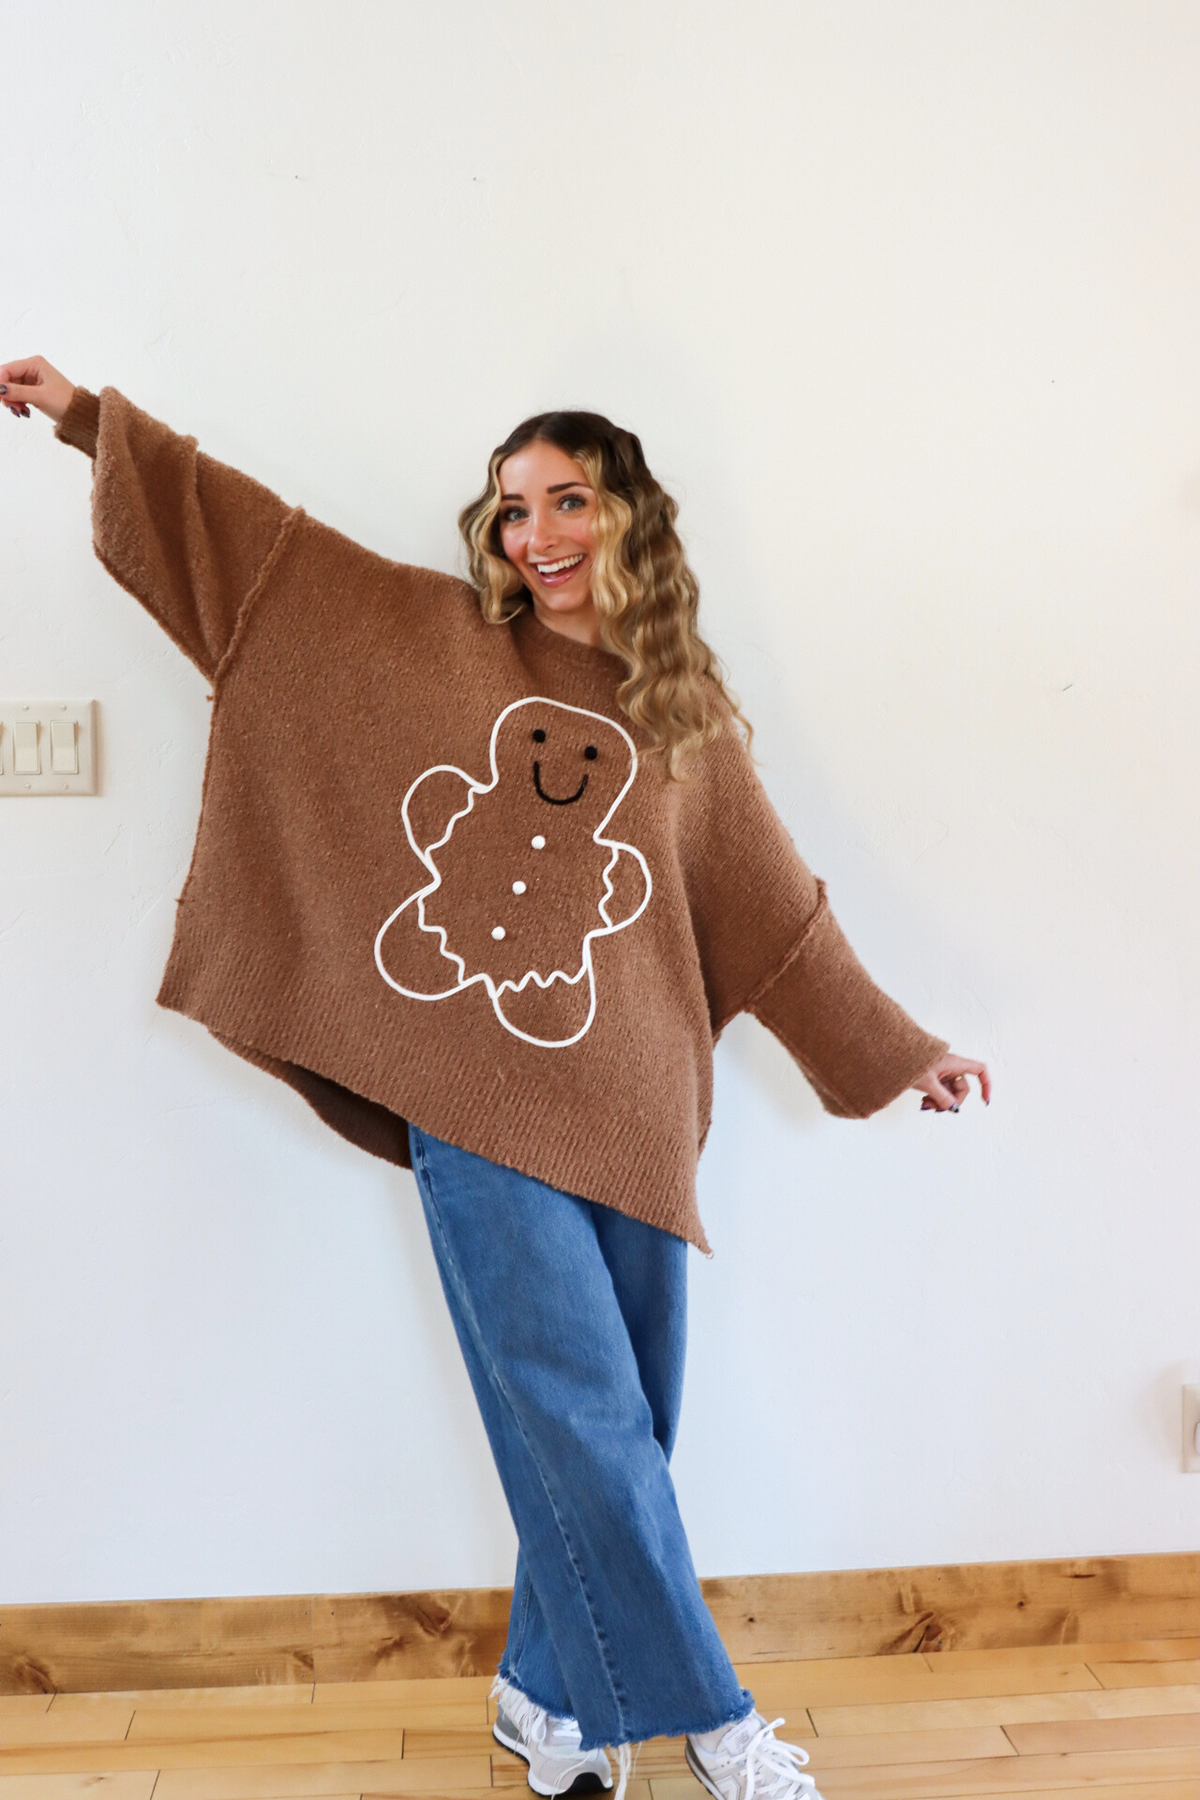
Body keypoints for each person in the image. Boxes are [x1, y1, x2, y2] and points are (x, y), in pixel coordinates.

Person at [2, 355, 990, 1800]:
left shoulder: (685, 716)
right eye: (514, 507)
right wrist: (91, 421)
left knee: (613, 1432)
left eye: (567, 499)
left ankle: (543, 1698)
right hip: (478, 1108)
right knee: (583, 1421)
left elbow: (777, 916)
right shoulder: (438, 642)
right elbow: (263, 567)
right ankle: (717, 1726)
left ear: (628, 515)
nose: (536, 533)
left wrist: (900, 1050)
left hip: (638, 1120)